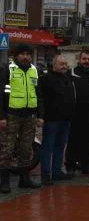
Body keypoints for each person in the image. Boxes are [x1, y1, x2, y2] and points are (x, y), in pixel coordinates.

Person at [0, 45, 43, 192]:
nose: (26, 57)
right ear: (16, 55)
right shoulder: (8, 70)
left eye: (28, 54)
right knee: (7, 148)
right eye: (22, 54)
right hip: (12, 115)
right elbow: (1, 95)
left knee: (26, 148)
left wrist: (40, 115)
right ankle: (4, 181)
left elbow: (38, 93)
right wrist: (2, 116)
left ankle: (24, 179)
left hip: (29, 115)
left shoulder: (34, 71)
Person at [38, 55, 77, 184]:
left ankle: (56, 171)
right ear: (54, 65)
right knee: (48, 146)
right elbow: (41, 99)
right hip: (52, 118)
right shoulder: (45, 79)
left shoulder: (68, 78)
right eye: (61, 64)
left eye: (65, 64)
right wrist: (41, 116)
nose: (64, 66)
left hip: (66, 118)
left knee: (60, 146)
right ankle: (45, 174)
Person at [65, 50, 89, 175]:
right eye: (84, 59)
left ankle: (86, 165)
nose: (86, 61)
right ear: (79, 59)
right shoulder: (71, 73)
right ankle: (70, 166)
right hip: (75, 112)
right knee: (74, 140)